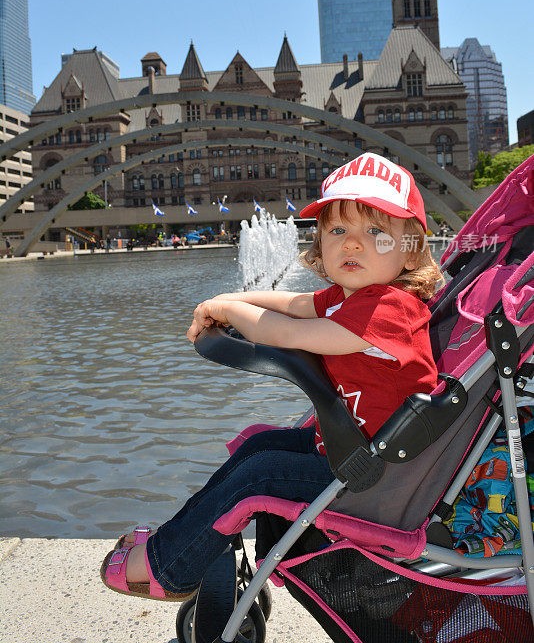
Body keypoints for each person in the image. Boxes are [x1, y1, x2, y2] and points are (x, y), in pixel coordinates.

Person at [100, 153, 443, 602]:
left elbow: (292, 331)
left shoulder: (391, 311)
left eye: (375, 231)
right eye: (338, 231)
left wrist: (225, 310)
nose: (353, 244)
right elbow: (297, 303)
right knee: (258, 446)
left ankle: (169, 568)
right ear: (320, 243)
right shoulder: (351, 296)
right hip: (353, 451)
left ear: (411, 248)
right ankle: (183, 539)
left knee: (259, 473)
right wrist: (229, 296)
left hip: (380, 476)